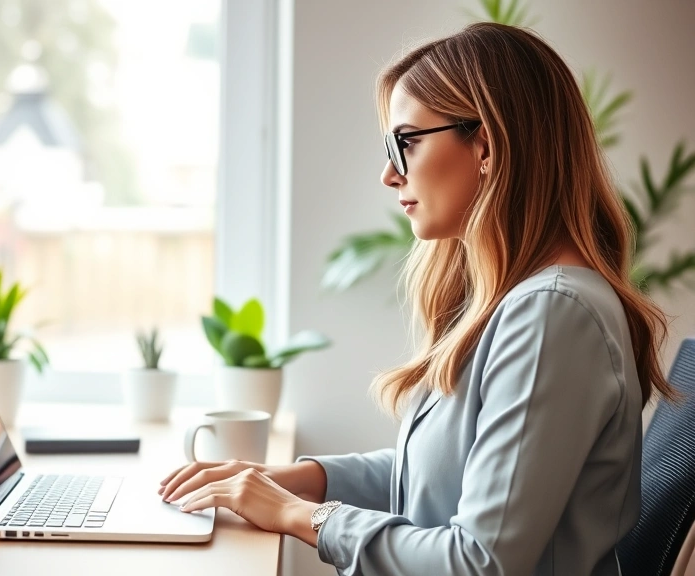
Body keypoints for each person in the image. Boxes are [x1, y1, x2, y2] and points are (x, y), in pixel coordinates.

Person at [158, 22, 675, 576]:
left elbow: (480, 561)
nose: (388, 173)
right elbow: (444, 479)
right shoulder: (520, 302)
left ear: (487, 145)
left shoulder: (553, 314)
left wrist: (299, 515)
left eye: (406, 142)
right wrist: (298, 480)